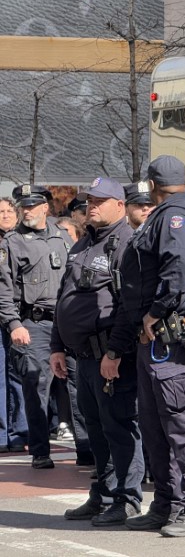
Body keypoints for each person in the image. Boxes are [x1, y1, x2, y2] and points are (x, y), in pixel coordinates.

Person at [111, 155, 185, 537]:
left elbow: (179, 266)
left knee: (182, 422)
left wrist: (156, 312)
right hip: (158, 336)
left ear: (153, 184)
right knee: (157, 423)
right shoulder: (178, 212)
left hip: (171, 332)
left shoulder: (176, 216)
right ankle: (167, 504)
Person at [49, 177, 143, 526]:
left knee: (118, 427)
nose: (92, 205)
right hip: (81, 356)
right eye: (90, 200)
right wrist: (58, 346)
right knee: (95, 429)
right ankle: (103, 493)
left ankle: (127, 498)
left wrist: (115, 352)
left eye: (100, 200)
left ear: (119, 205)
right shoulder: (82, 244)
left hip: (109, 356)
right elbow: (65, 298)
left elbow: (128, 307)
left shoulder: (126, 244)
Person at [0, 184, 74, 469]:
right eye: (23, 206)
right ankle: (41, 451)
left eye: (32, 205)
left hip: (67, 322)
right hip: (34, 323)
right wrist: (14, 323)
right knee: (36, 386)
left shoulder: (64, 237)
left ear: (46, 207)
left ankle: (88, 450)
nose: (27, 211)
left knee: (79, 388)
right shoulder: (12, 242)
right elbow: (4, 290)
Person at [0, 197, 27, 454]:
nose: (6, 215)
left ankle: (20, 432)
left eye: (10, 210)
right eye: (1, 211)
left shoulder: (24, 239)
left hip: (21, 317)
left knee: (19, 376)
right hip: (2, 316)